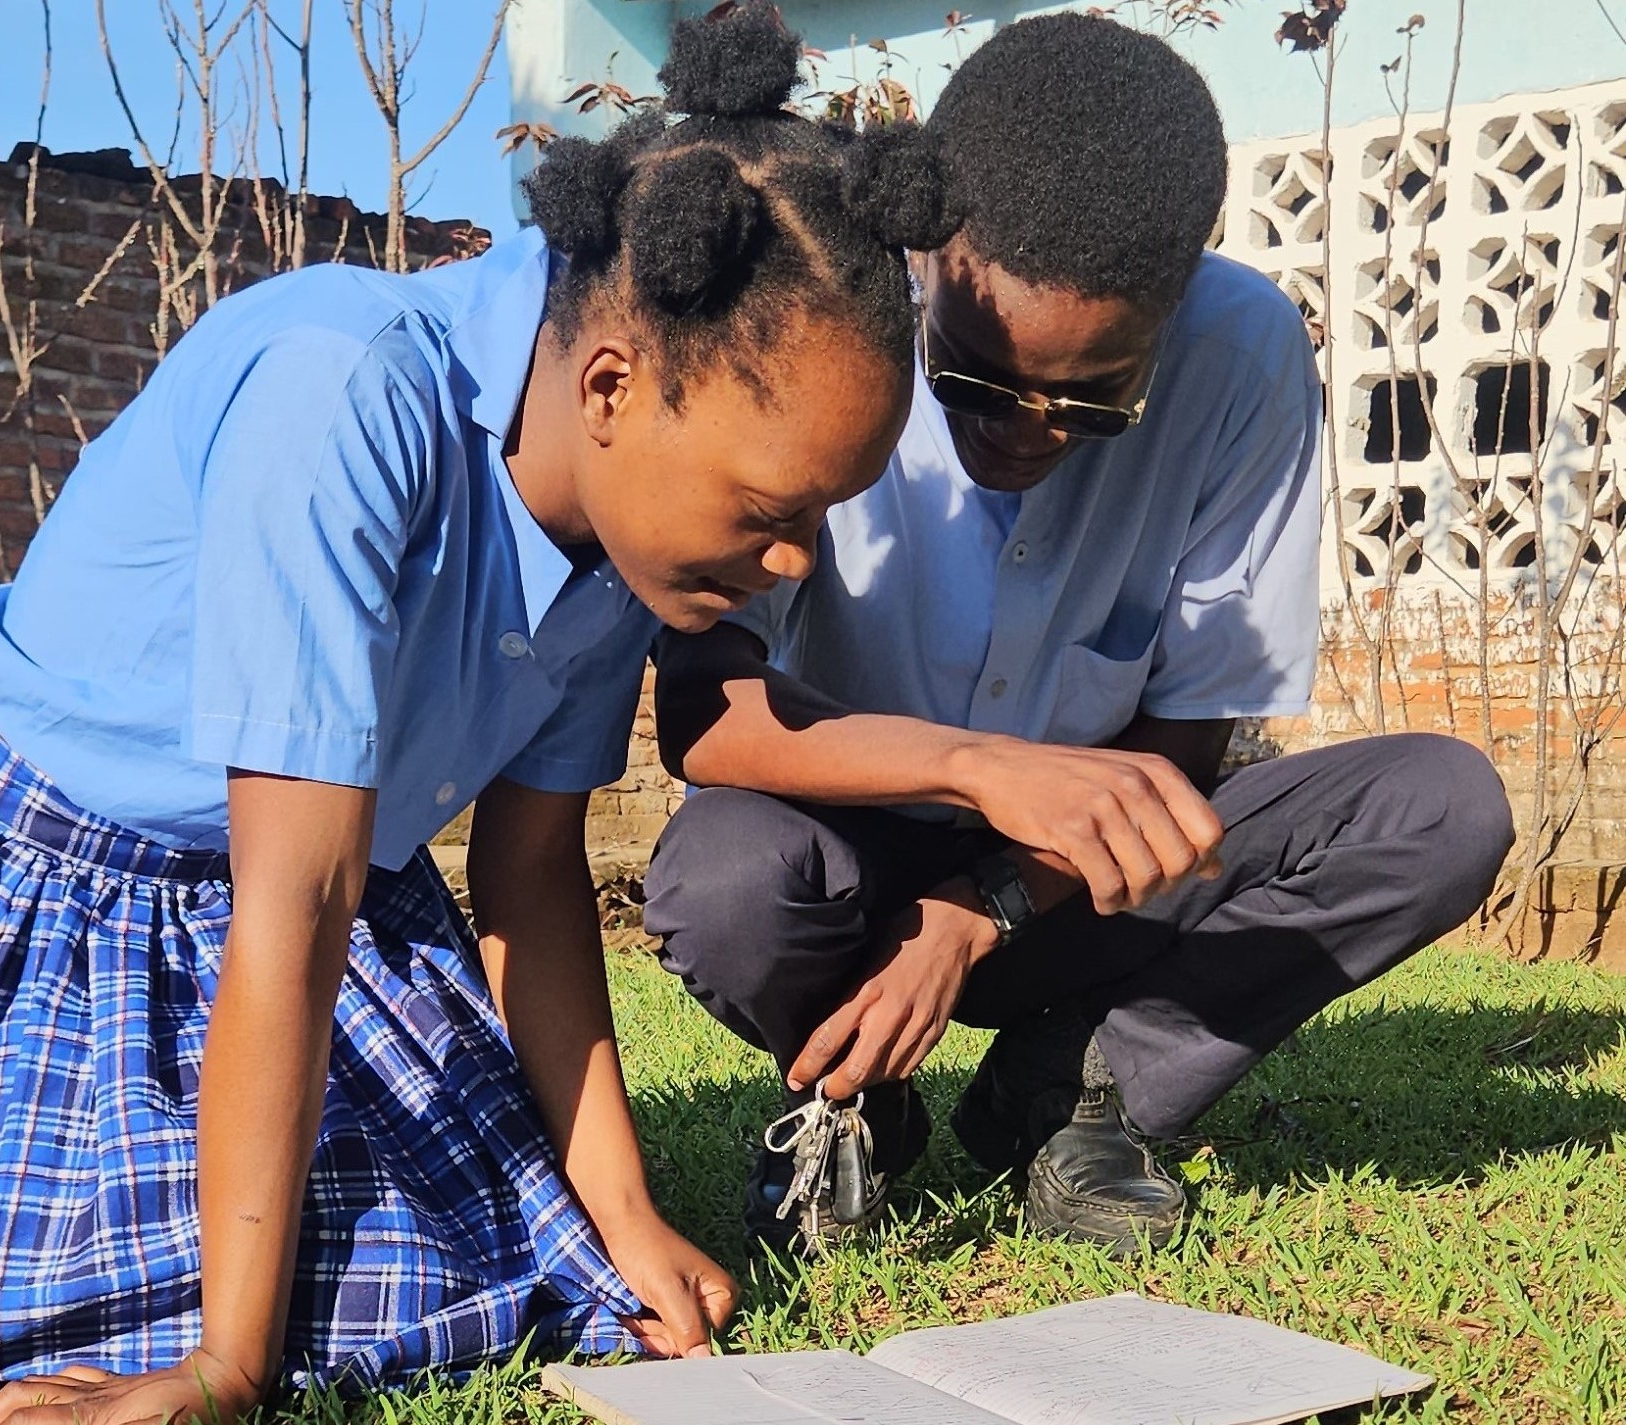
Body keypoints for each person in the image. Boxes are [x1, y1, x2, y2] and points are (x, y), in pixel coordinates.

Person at [0, 9, 957, 1421]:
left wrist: (625, 1213)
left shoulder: (632, 546)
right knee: (137, 1280)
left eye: (824, 517)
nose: (799, 563)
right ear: (609, 387)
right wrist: (227, 1368)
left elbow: (529, 878)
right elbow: (304, 896)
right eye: (777, 514)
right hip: (39, 902)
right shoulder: (343, 395)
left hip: (305, 914)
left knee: (472, 1267)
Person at [647, 12, 1514, 1257]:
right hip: (841, 863)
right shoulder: (828, 322)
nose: (1027, 435)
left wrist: (977, 907)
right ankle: (857, 1092)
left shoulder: (1243, 351)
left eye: (1092, 401)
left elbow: (1188, 742)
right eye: (976, 383)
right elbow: (703, 712)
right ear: (929, 263)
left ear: (1170, 309)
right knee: (723, 881)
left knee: (1439, 805)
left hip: (1081, 886)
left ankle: (1075, 1093)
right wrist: (973, 772)